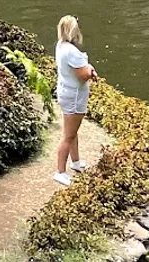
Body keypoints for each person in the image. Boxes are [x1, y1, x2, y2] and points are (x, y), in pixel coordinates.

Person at [54, 15, 98, 186]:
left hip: (66, 91)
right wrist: (91, 70)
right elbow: (82, 75)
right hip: (74, 96)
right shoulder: (72, 52)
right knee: (68, 135)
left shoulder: (61, 46)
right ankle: (60, 171)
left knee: (72, 132)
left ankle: (76, 162)